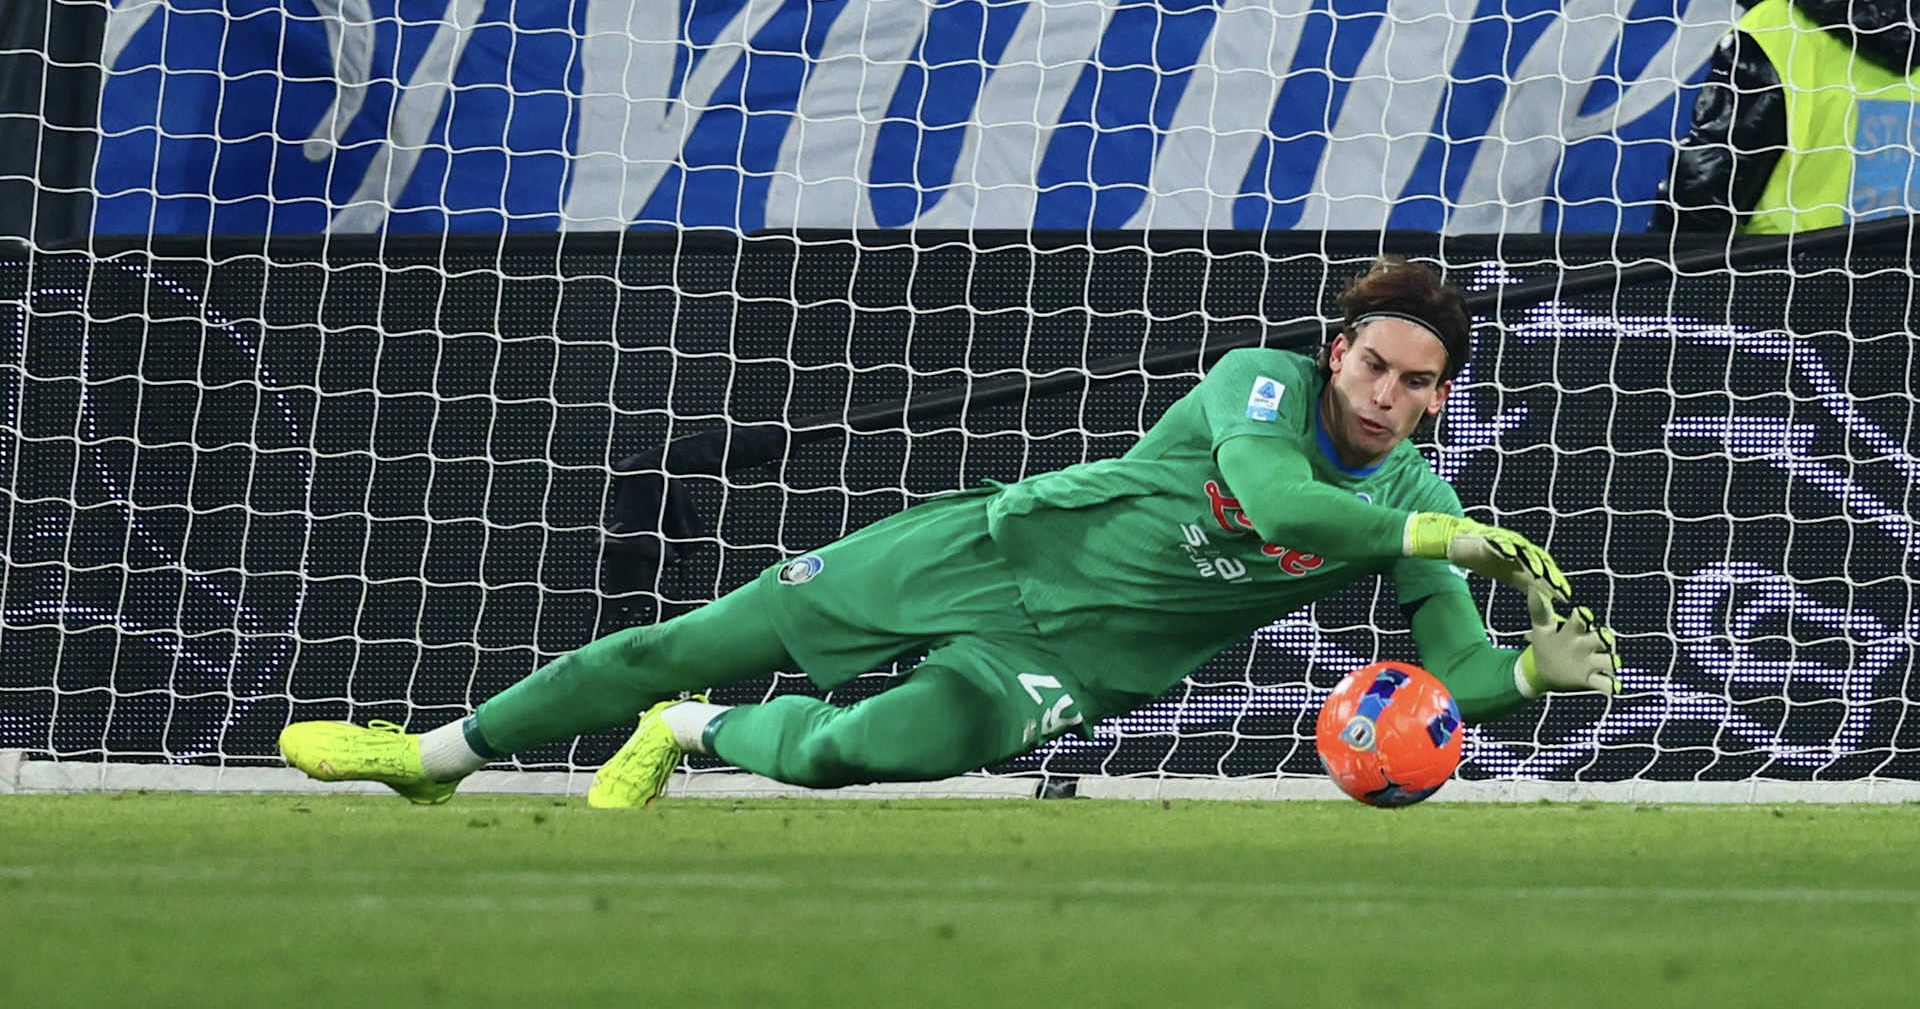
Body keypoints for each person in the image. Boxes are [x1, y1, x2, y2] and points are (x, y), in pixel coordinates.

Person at [279, 256, 1622, 807]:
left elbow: (1448, 674)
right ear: (1337, 353)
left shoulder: (1419, 502)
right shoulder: (1257, 383)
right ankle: (432, 757)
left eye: (1420, 382)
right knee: (677, 636)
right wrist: (1443, 541)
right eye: (1376, 365)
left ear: (1441, 396)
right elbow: (1278, 506)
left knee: (856, 751)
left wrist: (1523, 674)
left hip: (1068, 663)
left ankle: (692, 732)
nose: (1391, 395)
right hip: (986, 549)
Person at [1653, 0, 1920, 235]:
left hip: (1787, 268)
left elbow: (1705, 186)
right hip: (1903, 271)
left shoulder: (1776, 26)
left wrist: (1662, 270)